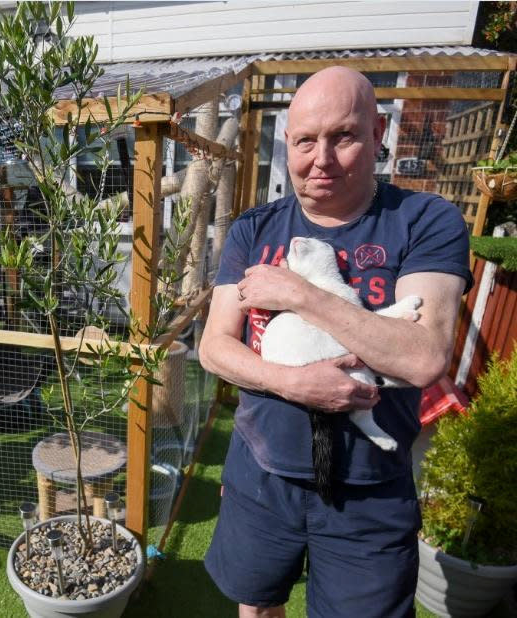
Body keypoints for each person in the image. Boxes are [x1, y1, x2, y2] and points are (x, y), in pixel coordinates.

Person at [200, 66, 472, 618]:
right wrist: (293, 383)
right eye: (305, 140)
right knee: (255, 605)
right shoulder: (255, 229)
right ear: (287, 144)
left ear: (377, 134)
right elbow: (214, 347)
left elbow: (423, 358)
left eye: (342, 137)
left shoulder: (424, 221)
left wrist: (304, 296)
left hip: (368, 491)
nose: (320, 158)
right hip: (262, 473)